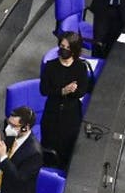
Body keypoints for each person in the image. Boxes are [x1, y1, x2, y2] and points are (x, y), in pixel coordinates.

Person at [39, 32, 91, 168]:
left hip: (71, 114)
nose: (64, 50)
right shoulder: (50, 66)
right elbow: (44, 90)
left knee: (67, 147)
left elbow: (82, 90)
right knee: (49, 146)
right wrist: (63, 91)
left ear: (74, 50)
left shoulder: (80, 67)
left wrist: (70, 91)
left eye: (68, 48)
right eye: (62, 46)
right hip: (52, 113)